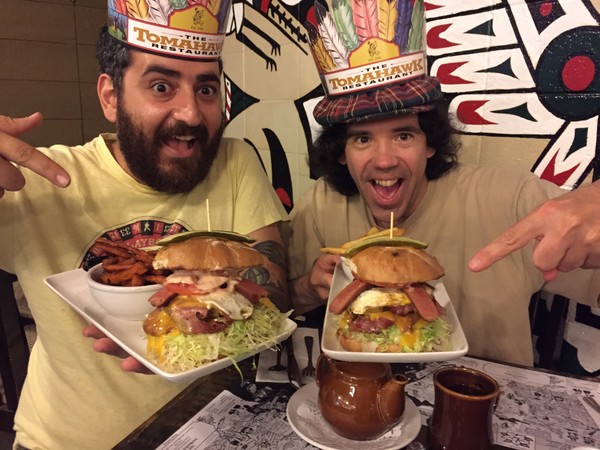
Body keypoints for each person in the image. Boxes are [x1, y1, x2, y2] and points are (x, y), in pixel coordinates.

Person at [0, 5, 290, 449]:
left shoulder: (235, 161)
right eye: (161, 86)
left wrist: (209, 306)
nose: (192, 114)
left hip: (211, 427)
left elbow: (273, 286)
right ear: (110, 97)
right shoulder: (36, 181)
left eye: (207, 88)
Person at [288, 0, 600, 368]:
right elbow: (279, 301)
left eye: (404, 135)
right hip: (360, 400)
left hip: (485, 406)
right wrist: (309, 287)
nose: (385, 159)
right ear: (341, 152)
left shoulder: (512, 199)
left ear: (430, 143)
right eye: (362, 139)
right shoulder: (322, 205)